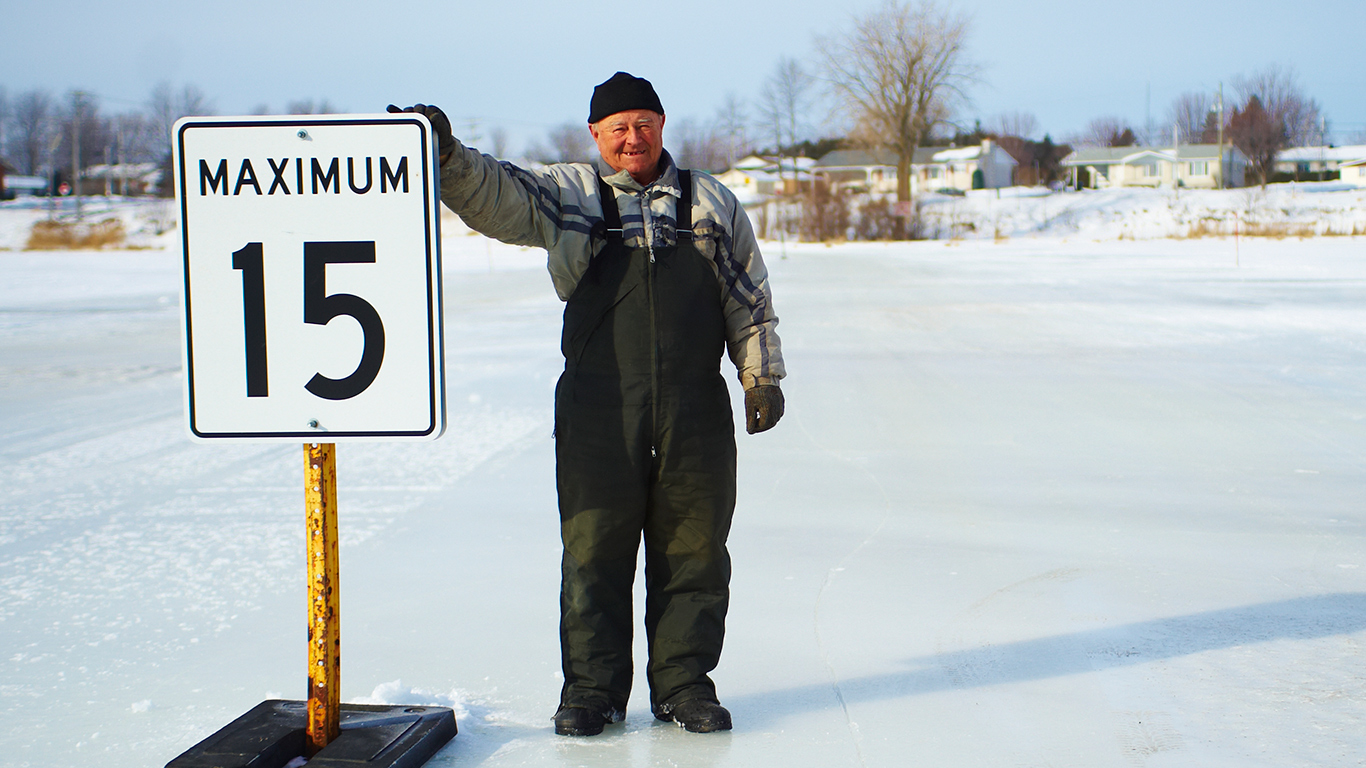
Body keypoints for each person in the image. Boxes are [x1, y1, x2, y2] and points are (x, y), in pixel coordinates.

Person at [391, 71, 784, 737]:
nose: (633, 137)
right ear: (596, 134)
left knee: (695, 552)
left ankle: (685, 685)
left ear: (663, 126)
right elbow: (499, 196)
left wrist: (761, 376)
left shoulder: (710, 202)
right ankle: (591, 692)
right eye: (618, 127)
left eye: (645, 123)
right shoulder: (569, 195)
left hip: (694, 411)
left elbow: (749, 298)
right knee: (593, 551)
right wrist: (451, 158)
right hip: (600, 410)